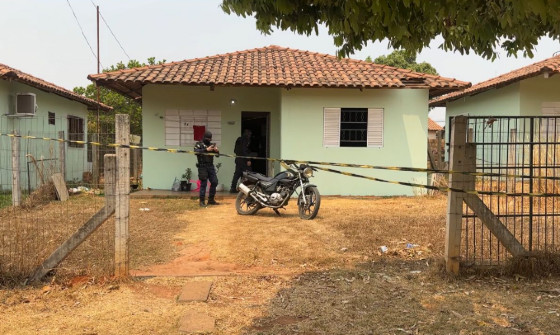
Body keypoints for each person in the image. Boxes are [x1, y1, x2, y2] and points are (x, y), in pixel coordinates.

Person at [194, 131, 219, 207]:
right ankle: (202, 201)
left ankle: (211, 200)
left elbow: (217, 155)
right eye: (207, 138)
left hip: (210, 166)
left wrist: (216, 151)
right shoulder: (199, 144)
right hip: (202, 166)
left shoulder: (211, 145)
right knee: (203, 183)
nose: (209, 140)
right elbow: (196, 152)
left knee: (214, 182)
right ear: (204, 137)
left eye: (210, 139)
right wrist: (206, 150)